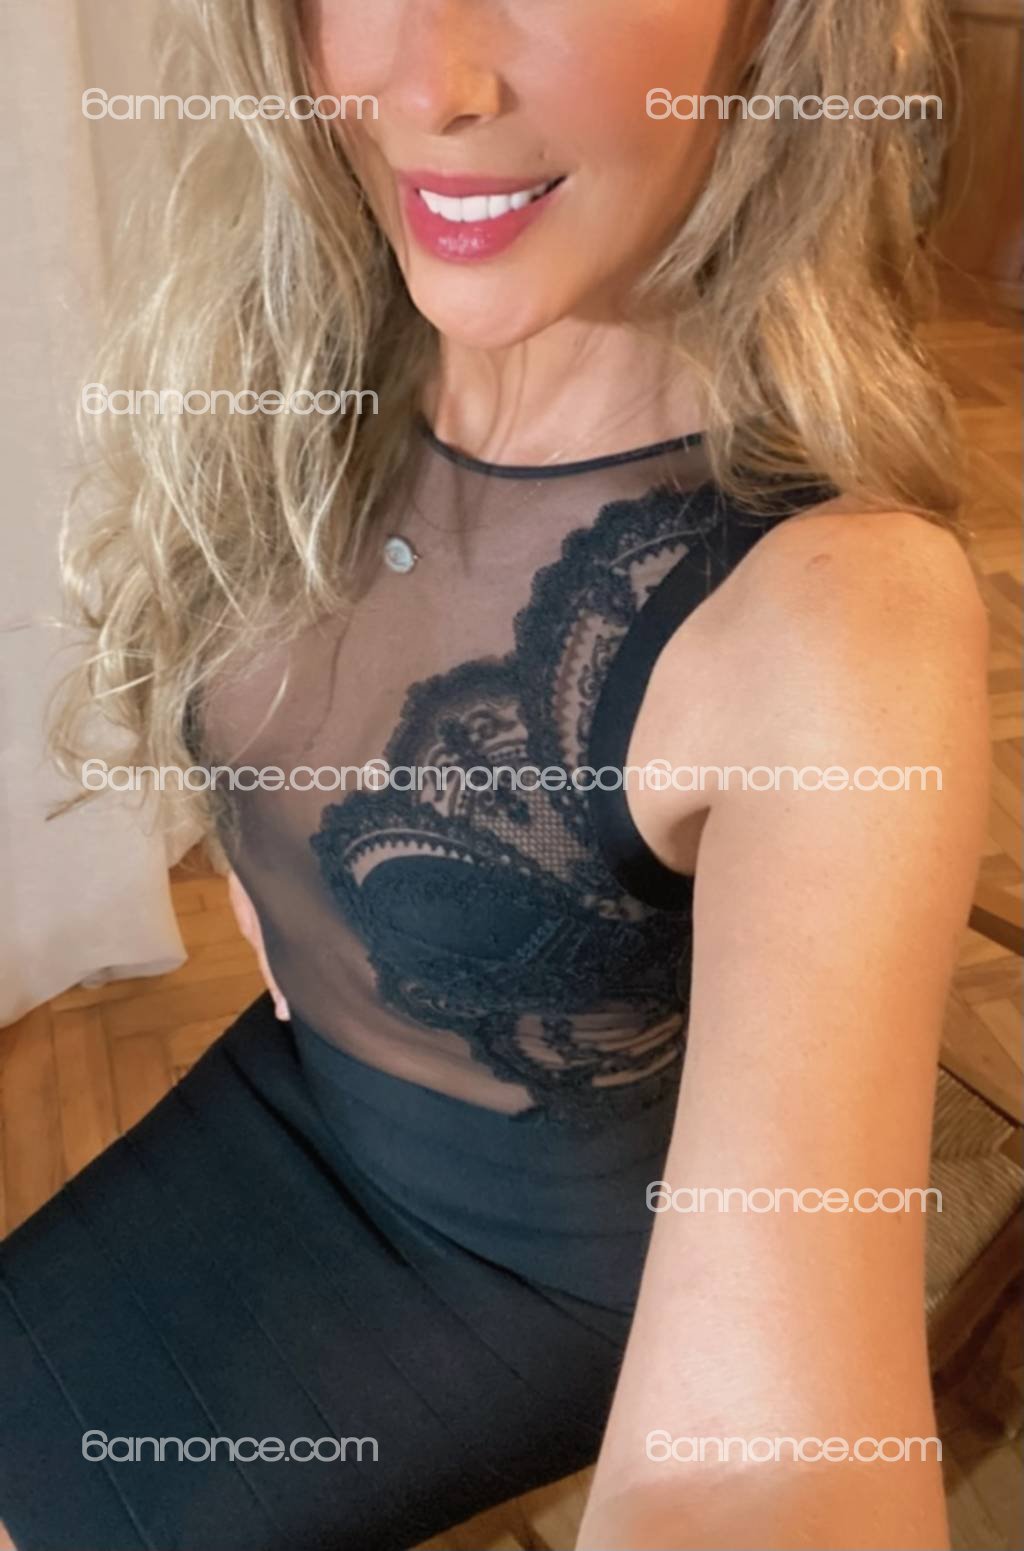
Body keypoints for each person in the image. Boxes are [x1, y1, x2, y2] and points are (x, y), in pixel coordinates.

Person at [0, 2, 990, 1547]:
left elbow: (767, 1463)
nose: (426, 83)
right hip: (299, 1100)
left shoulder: (837, 615)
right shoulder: (320, 378)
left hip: (517, 1273)